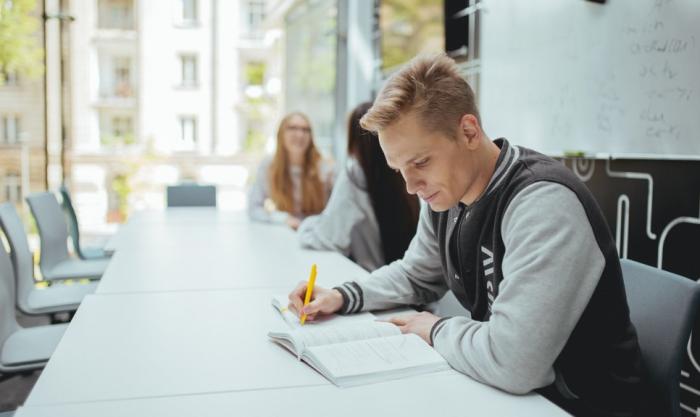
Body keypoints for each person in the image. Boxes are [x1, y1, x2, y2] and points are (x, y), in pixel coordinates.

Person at [287, 54, 643, 417]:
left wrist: (436, 329)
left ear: (469, 132)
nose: (410, 186)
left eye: (421, 162)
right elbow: (415, 275)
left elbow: (514, 362)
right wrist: (342, 296)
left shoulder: (542, 204)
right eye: (399, 169)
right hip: (507, 395)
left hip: (576, 405)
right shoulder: (446, 196)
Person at [297, 102, 420, 271]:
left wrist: (304, 225)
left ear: (354, 139)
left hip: (375, 277)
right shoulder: (403, 170)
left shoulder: (355, 176)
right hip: (403, 276)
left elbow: (328, 239)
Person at [248, 112, 333, 229]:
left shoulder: (326, 167)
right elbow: (254, 209)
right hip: (283, 231)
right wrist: (284, 219)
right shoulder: (268, 165)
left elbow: (336, 211)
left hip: (316, 231)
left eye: (306, 130)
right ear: (281, 134)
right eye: (293, 128)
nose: (300, 134)